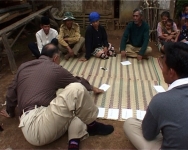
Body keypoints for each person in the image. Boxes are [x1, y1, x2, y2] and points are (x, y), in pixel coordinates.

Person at [0, 43, 114, 150]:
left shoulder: (23, 67)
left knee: (77, 110)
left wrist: (10, 111)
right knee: (76, 90)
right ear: (55, 58)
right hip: (39, 124)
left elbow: (11, 92)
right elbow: (77, 82)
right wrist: (93, 88)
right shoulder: (54, 68)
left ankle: (73, 143)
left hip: (28, 123)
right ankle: (92, 125)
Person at [123, 42, 188, 149]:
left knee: (130, 124)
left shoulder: (162, 100)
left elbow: (148, 134)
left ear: (171, 72)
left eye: (163, 66)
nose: (162, 69)